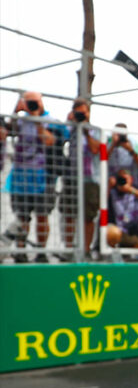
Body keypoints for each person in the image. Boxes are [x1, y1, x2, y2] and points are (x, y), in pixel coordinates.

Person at [5, 91, 58, 263]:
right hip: (21, 177)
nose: (33, 105)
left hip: (43, 177)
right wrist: (16, 110)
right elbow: (8, 131)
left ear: (42, 102)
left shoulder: (49, 120)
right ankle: (20, 251)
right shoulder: (20, 118)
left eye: (35, 102)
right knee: (22, 216)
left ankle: (41, 252)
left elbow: (49, 141)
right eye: (30, 102)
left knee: (43, 215)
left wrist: (36, 119)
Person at [59, 99, 102, 260]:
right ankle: (69, 249)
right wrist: (69, 121)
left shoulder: (95, 130)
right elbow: (59, 142)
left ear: (88, 113)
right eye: (78, 112)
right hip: (71, 177)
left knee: (88, 216)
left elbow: (95, 149)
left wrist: (85, 131)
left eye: (83, 112)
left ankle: (86, 250)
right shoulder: (70, 128)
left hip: (90, 179)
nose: (81, 115)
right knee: (68, 213)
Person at [106, 169, 138, 249]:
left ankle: (128, 254)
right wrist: (109, 185)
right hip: (118, 228)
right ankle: (113, 253)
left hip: (134, 230)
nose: (123, 181)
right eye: (121, 179)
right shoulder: (112, 191)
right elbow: (101, 201)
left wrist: (129, 189)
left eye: (125, 179)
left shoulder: (136, 190)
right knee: (114, 233)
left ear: (131, 179)